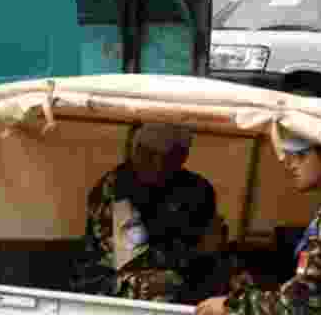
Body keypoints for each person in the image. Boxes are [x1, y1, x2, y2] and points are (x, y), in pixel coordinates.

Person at [195, 133, 321, 315]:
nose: (291, 165)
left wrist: (232, 304)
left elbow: (298, 301)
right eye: (290, 156)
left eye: (301, 156)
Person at [73, 122, 218, 303]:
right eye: (148, 154)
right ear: (136, 151)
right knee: (161, 285)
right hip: (108, 280)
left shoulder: (198, 190)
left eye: (171, 156)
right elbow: (132, 259)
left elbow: (212, 243)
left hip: (184, 272)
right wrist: (195, 252)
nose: (157, 164)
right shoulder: (116, 187)